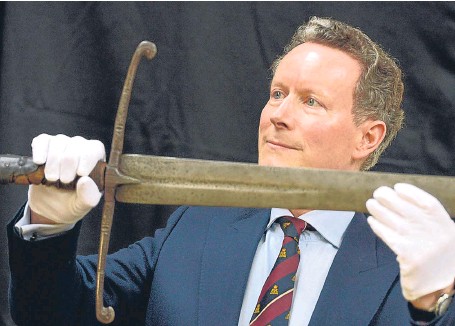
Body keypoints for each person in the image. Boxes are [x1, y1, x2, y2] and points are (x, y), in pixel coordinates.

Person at [7, 16, 455, 325]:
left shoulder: (417, 263)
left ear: (368, 138)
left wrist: (435, 305)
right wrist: (47, 226)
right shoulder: (197, 227)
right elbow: (56, 314)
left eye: (311, 101)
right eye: (277, 93)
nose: (278, 115)